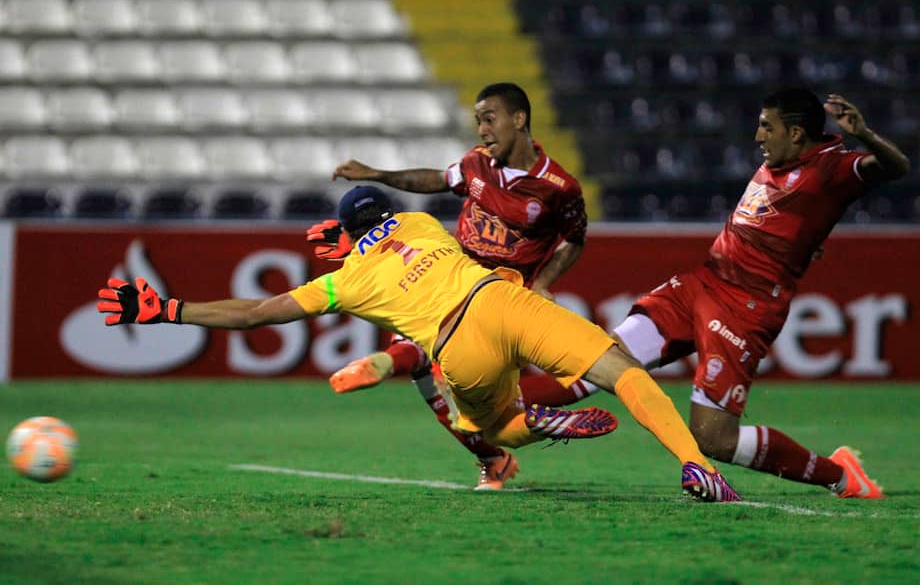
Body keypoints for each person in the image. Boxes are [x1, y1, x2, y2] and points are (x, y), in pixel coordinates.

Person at [97, 185, 741, 502]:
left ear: (346, 237)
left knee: (498, 430)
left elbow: (256, 315)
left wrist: (170, 309)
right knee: (624, 370)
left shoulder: (342, 281)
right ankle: (699, 467)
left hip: (459, 348)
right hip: (500, 298)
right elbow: (383, 227)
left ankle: (535, 426)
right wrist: (353, 236)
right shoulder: (420, 219)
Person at [610, 89, 910, 499]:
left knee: (714, 439)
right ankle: (501, 434)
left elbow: (896, 167)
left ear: (797, 133)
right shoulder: (780, 161)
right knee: (602, 354)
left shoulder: (830, 168)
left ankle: (840, 476)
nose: (757, 136)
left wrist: (867, 135)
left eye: (768, 126)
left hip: (747, 306)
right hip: (708, 282)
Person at [327, 82, 601, 489]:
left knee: (474, 400)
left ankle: (391, 367)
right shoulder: (477, 164)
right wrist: (378, 174)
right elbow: (437, 179)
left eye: (488, 119)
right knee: (447, 389)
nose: (481, 129)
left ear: (519, 119)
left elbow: (574, 238)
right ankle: (496, 457)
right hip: (456, 279)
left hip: (502, 297)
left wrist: (542, 282)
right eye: (477, 121)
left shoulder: (559, 187)